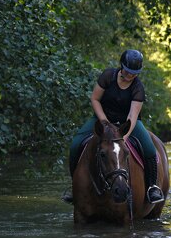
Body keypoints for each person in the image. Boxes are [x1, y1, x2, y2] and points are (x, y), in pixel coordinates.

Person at [62, 49, 164, 204]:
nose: (131, 75)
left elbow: (132, 116)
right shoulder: (108, 76)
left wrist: (122, 137)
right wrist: (104, 122)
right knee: (76, 144)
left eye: (134, 73)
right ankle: (74, 186)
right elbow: (95, 99)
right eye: (128, 71)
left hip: (127, 123)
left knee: (150, 149)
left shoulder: (138, 88)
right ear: (121, 66)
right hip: (103, 119)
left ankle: (152, 187)